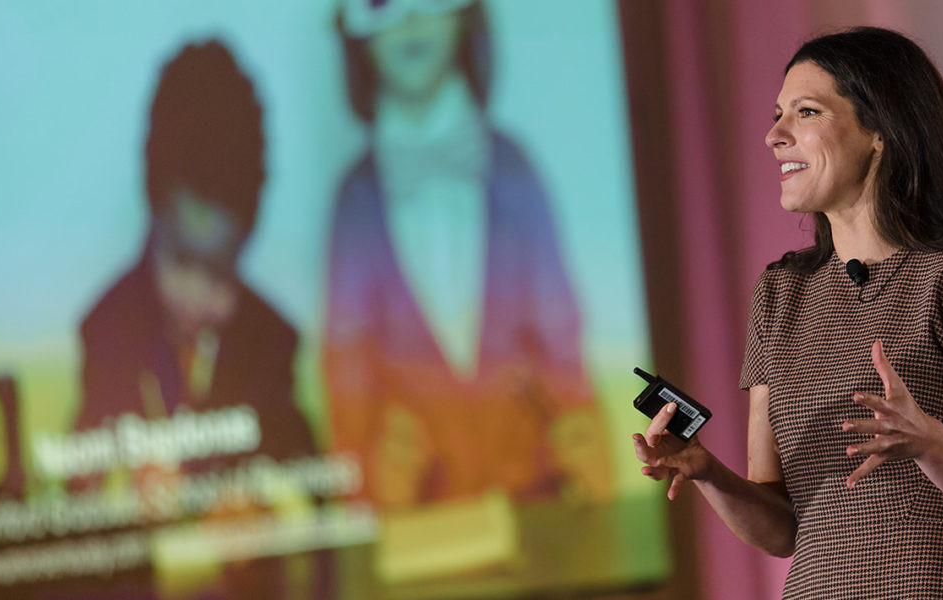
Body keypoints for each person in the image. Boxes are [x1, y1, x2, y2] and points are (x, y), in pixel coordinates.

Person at [632, 27, 943, 599]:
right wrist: (706, 470)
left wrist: (927, 441)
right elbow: (782, 530)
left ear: (880, 130)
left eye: (806, 112)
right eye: (777, 115)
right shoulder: (780, 294)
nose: (774, 135)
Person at [323, 0, 611, 514]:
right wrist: (371, 471)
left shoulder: (516, 172)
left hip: (535, 507)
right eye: (382, 4)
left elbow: (561, 341)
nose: (411, 19)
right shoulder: (354, 202)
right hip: (422, 523)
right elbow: (347, 371)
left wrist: (585, 444)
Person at [76, 39, 322, 599]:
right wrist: (122, 493)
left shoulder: (269, 339)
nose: (199, 297)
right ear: (154, 218)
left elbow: (307, 475)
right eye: (183, 264)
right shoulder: (107, 329)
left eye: (221, 273)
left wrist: (266, 505)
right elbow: (75, 485)